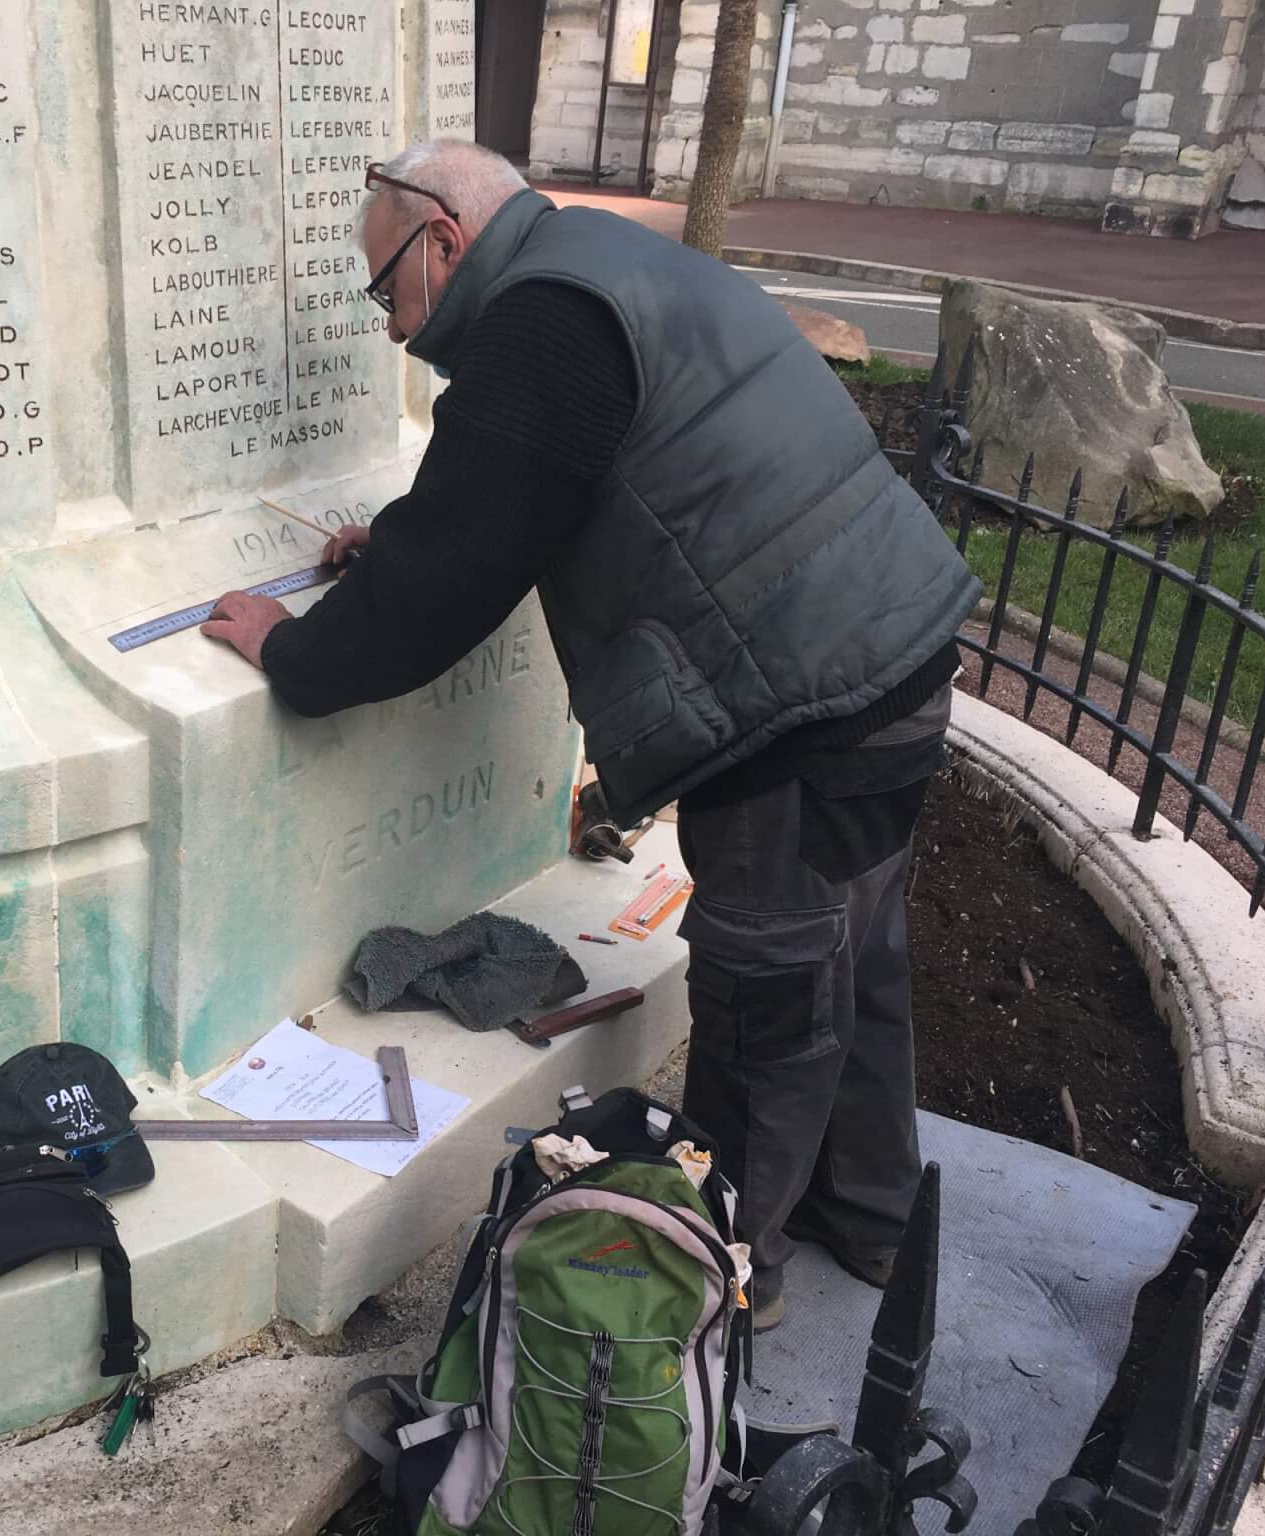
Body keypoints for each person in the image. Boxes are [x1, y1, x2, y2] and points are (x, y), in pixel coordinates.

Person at [199, 140, 979, 1330]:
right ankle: (869, 1218)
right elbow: (520, 494)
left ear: (443, 242)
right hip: (886, 644)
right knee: (850, 952)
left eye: (384, 290)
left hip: (802, 697)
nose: (393, 328)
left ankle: (720, 1273)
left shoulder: (540, 321)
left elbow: (441, 589)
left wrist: (291, 651)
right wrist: (401, 539)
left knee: (767, 989)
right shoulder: (596, 263)